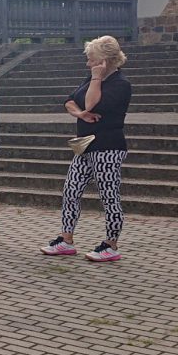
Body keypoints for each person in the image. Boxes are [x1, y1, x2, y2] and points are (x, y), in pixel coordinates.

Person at [41, 35, 133, 262]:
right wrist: (80, 114)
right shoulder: (89, 78)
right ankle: (66, 239)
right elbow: (70, 101)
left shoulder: (120, 84)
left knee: (109, 194)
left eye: (92, 59)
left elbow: (92, 103)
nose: (88, 64)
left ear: (104, 60)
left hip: (107, 147)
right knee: (71, 190)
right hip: (85, 145)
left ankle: (111, 244)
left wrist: (96, 78)